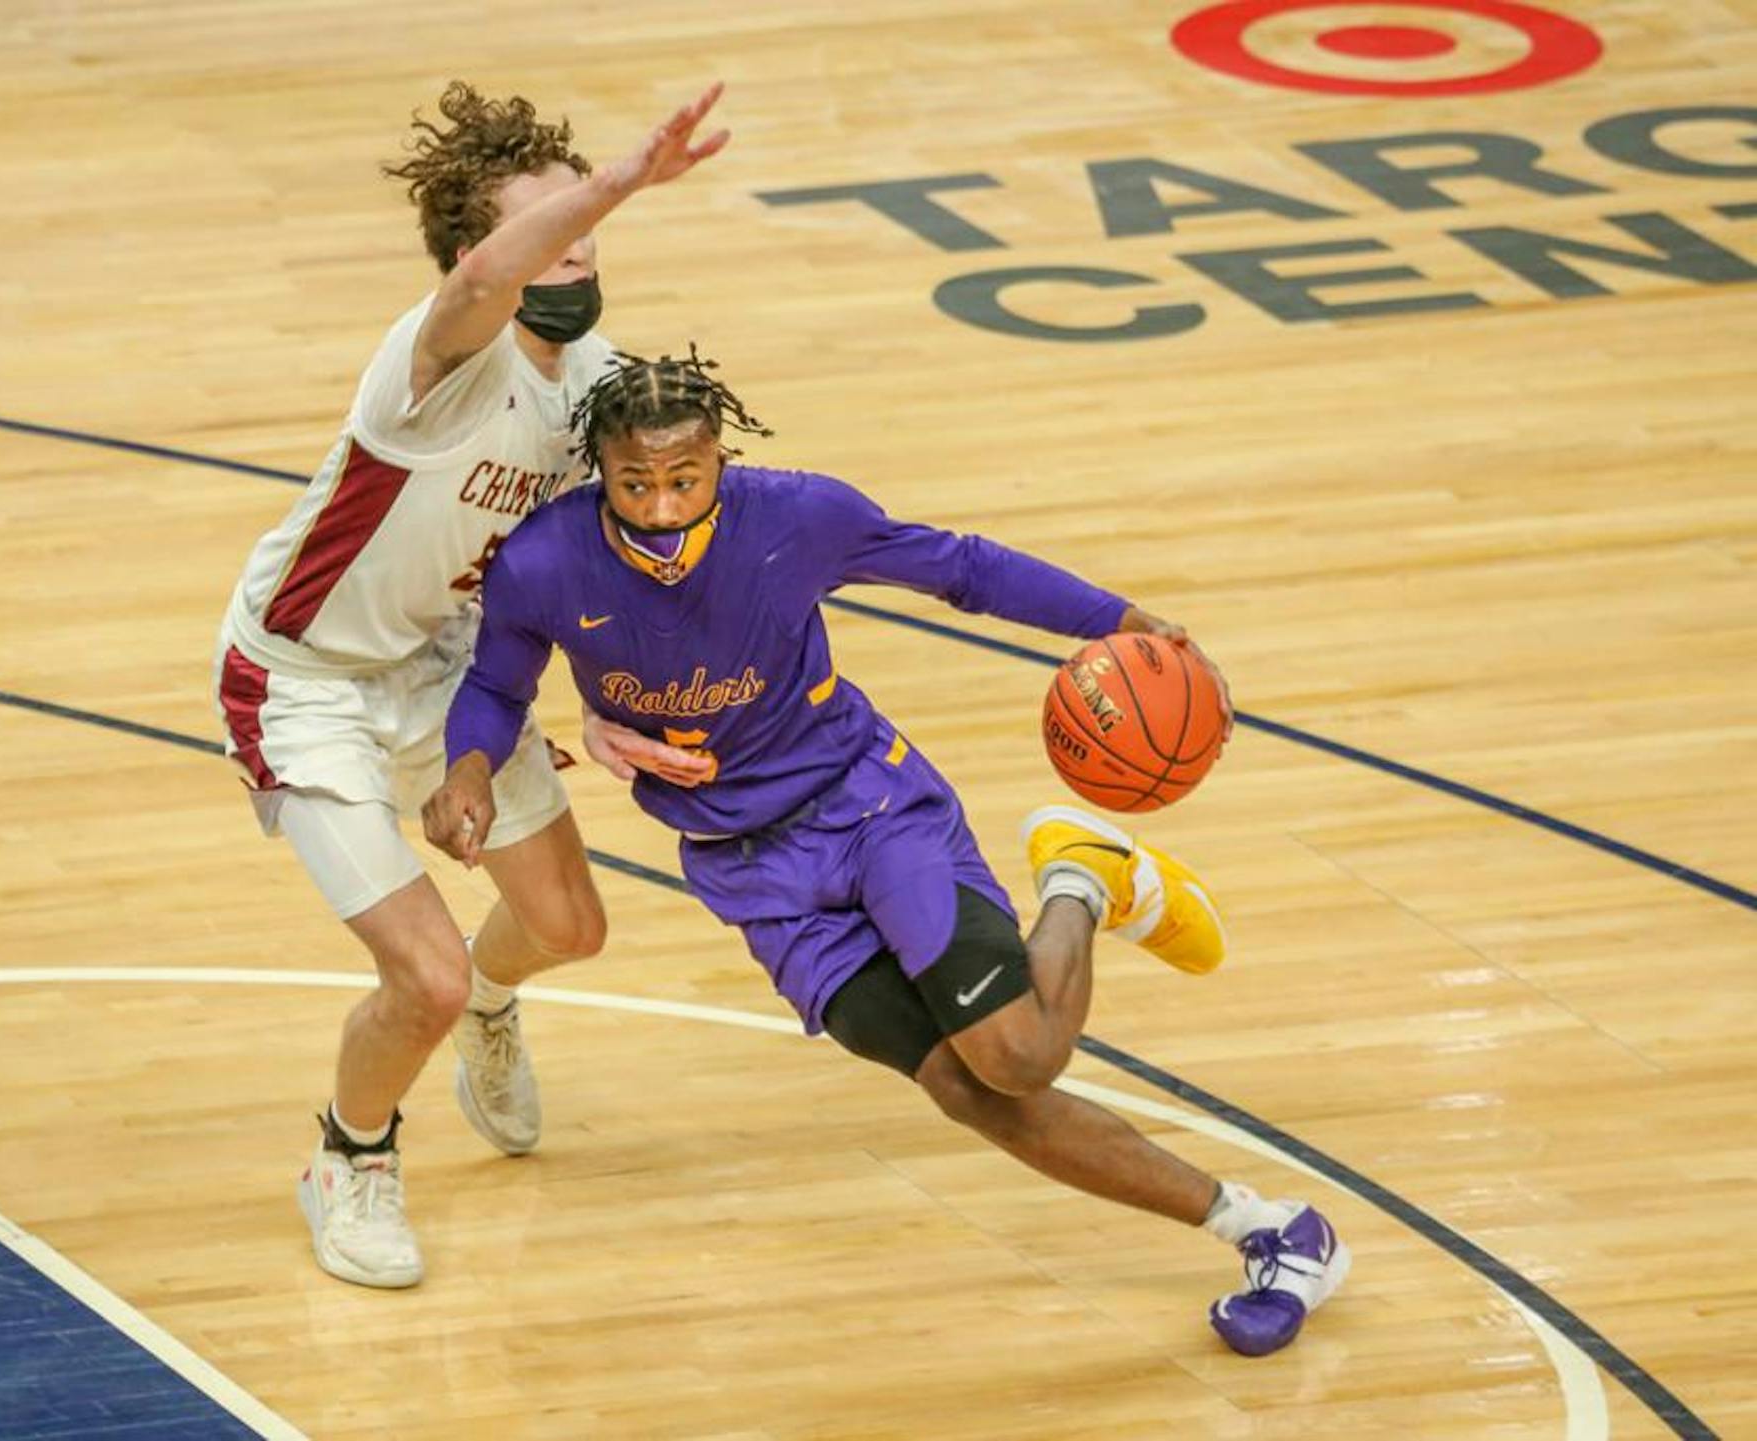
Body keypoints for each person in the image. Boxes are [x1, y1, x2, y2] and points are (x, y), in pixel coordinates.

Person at [422, 349, 1349, 1355]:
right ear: (600, 466)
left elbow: (960, 568)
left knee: (1022, 1054)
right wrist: (467, 767)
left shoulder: (797, 518)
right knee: (964, 1089)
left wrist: (1117, 618)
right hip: (751, 875)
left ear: (720, 460)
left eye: (683, 478)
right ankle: (1271, 1230)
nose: (657, 505)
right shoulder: (546, 563)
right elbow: (498, 687)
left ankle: (1084, 876)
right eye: (634, 482)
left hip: (868, 807)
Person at [212, 84, 729, 1289]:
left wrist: (600, 706)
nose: (583, 238)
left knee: (567, 928)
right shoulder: (434, 356)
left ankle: (494, 1010)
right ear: (481, 256)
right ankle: (351, 1156)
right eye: (552, 222)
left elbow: (580, 566)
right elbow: (486, 281)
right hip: (306, 678)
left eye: (589, 220)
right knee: (424, 974)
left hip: (443, 661)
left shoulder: (596, 380)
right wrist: (619, 176)